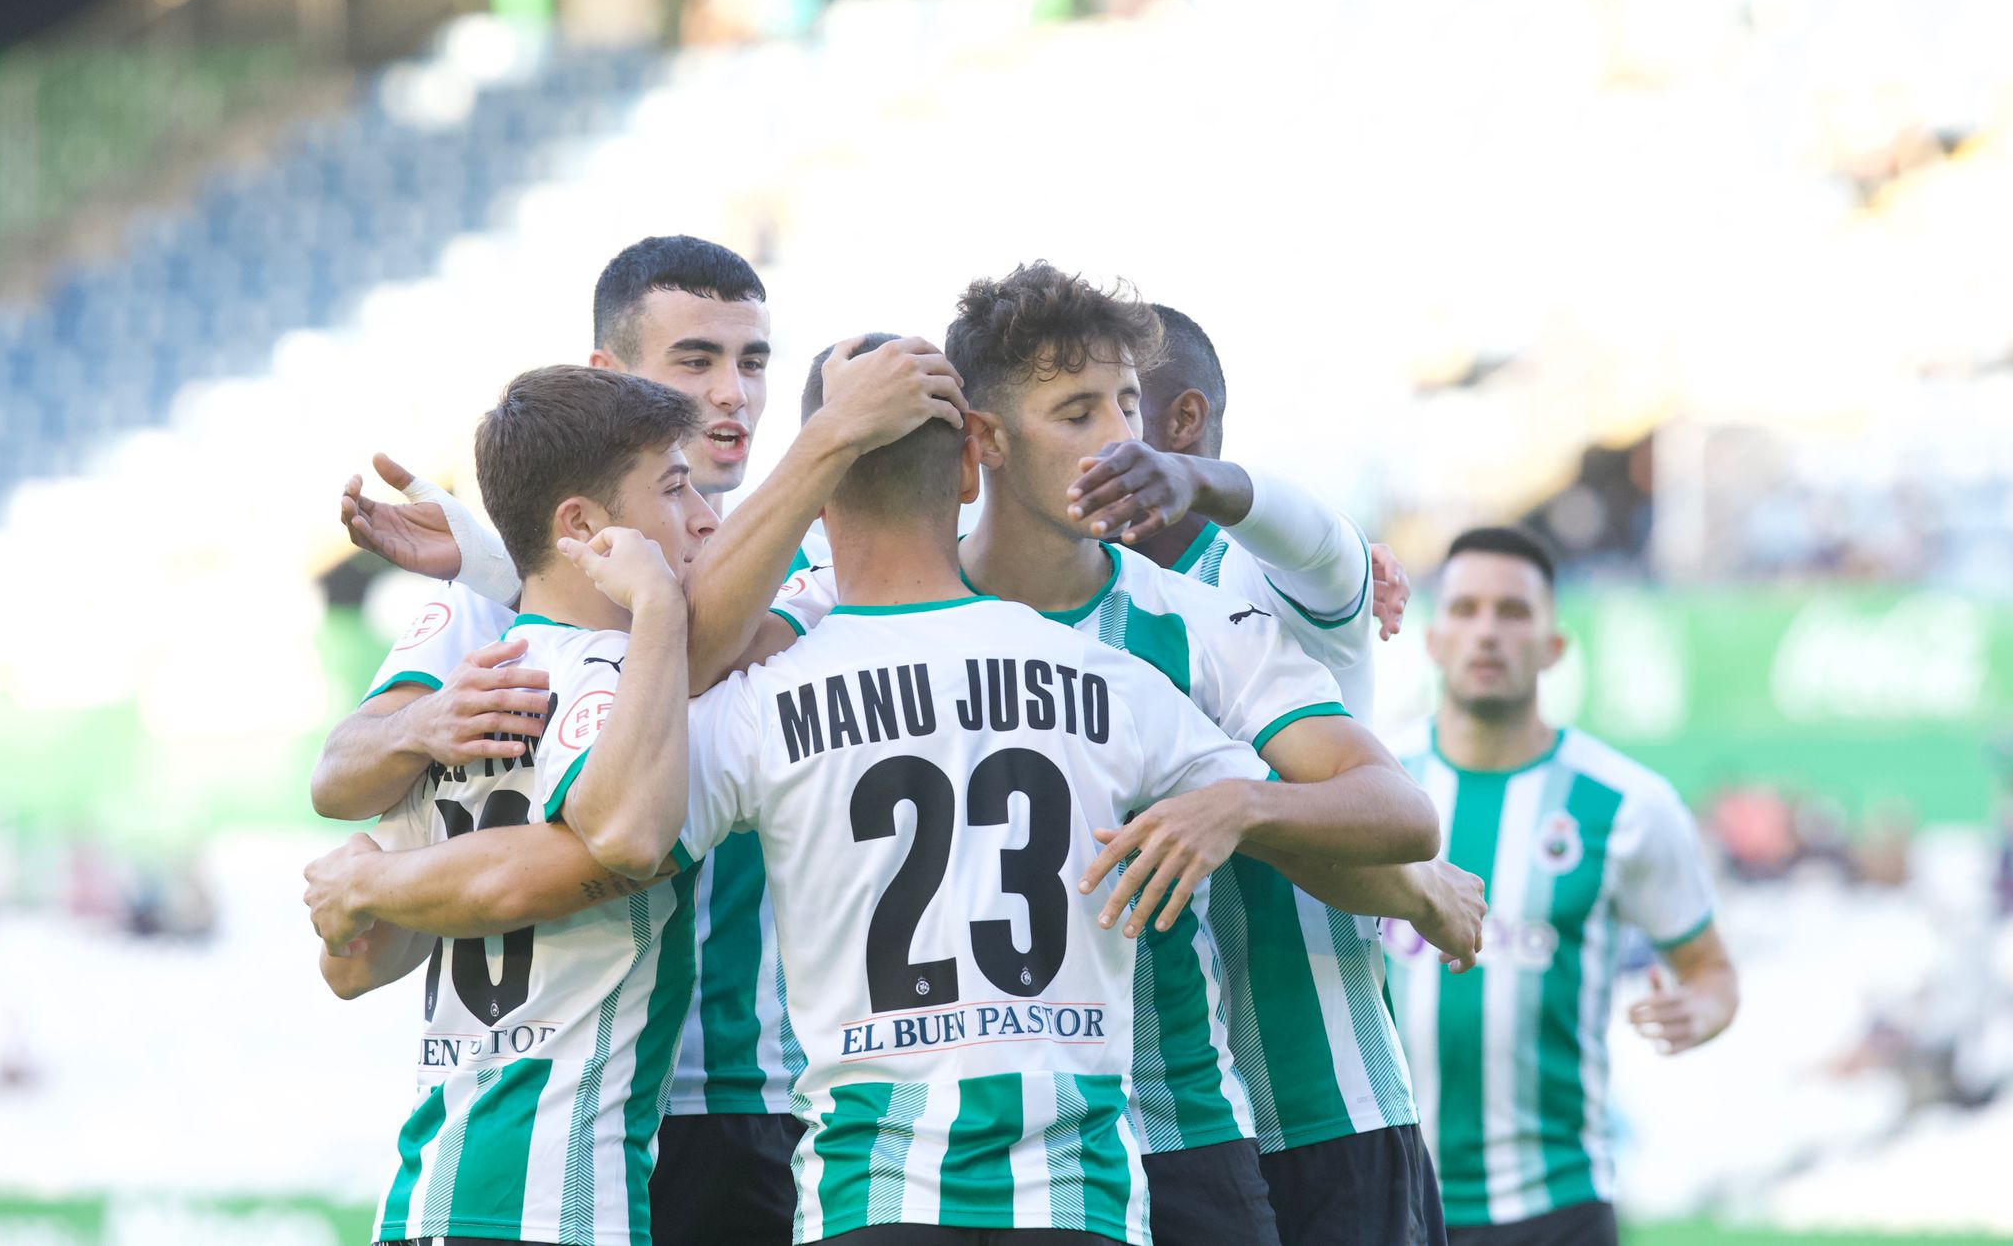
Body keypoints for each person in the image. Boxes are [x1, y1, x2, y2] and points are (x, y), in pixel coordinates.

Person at [733, 274, 1479, 1246]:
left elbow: (1392, 803)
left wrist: (1241, 808)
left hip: (1173, 1132)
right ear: (985, 443)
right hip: (925, 1154)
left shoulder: (1195, 622)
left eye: (1127, 403)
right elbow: (706, 655)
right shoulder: (862, 595)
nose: (1118, 436)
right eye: (1077, 410)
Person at [318, 234, 967, 1246]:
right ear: (613, 382)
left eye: (753, 362)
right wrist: (423, 711)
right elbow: (341, 773)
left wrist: (510, 563)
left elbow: (685, 650)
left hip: (741, 1083)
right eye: (696, 360)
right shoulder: (520, 595)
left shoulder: (804, 555)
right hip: (569, 1105)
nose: (732, 394)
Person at [309, 365, 706, 1245]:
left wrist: (370, 884)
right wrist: (662, 611)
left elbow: (351, 964)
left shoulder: (476, 681)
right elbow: (626, 841)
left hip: (422, 1196)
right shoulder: (632, 694)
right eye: (676, 490)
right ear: (582, 526)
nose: (705, 517)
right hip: (568, 1206)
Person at [1385, 526, 1740, 1246]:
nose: (1488, 632)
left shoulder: (1627, 805)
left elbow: (1711, 971)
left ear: (1554, 646)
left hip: (1556, 1208)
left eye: (1513, 613)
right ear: (1432, 637)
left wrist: (1697, 1012)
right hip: (1390, 1199)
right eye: (1466, 609)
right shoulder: (1375, 786)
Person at [1063, 302, 1400, 725]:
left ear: (1184, 420)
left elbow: (1325, 547)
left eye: (1127, 405)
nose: (1102, 434)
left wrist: (1191, 478)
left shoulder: (1267, 575)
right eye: (1076, 414)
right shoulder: (1060, 591)